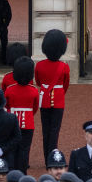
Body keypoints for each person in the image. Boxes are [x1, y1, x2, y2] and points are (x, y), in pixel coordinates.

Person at [36, 29, 70, 157]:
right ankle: (52, 157)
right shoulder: (64, 66)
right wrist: (59, 94)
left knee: (46, 130)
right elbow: (65, 85)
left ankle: (46, 157)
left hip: (43, 99)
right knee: (55, 130)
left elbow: (38, 82)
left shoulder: (39, 65)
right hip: (58, 100)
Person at [5, 56, 40, 174]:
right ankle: (22, 172)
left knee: (12, 148)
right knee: (25, 150)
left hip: (12, 123)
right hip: (28, 123)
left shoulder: (9, 90)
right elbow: (35, 109)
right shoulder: (34, 91)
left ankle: (12, 171)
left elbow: (7, 106)